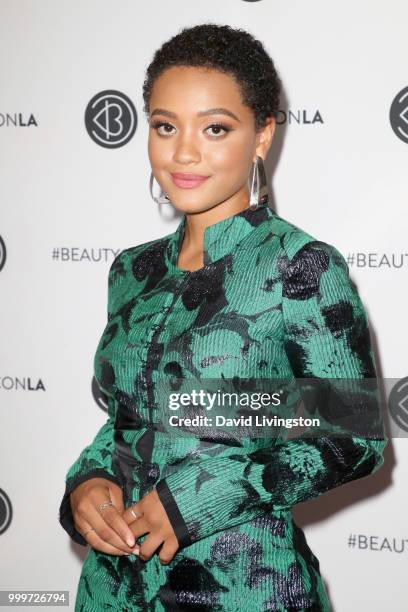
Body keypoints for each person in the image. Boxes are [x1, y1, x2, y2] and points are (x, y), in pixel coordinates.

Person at [59, 23, 387, 611]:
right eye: (165, 126)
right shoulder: (131, 271)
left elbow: (355, 439)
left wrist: (202, 496)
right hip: (113, 589)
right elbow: (127, 423)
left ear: (262, 135)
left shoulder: (301, 266)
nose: (184, 152)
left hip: (244, 585)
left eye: (215, 128)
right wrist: (88, 482)